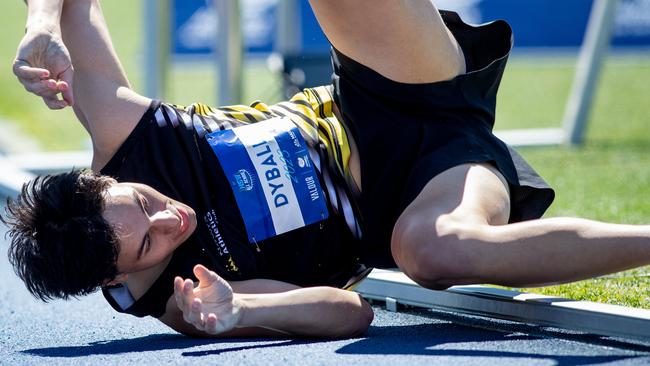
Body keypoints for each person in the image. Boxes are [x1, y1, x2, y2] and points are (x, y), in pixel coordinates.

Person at [4, 0, 646, 338]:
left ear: (105, 179)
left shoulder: (124, 135)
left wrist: (39, 24)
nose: (171, 218)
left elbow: (77, 6)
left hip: (388, 84)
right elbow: (349, 313)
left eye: (144, 203)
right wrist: (240, 315)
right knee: (430, 250)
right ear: (120, 275)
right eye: (149, 242)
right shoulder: (184, 298)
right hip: (427, 190)